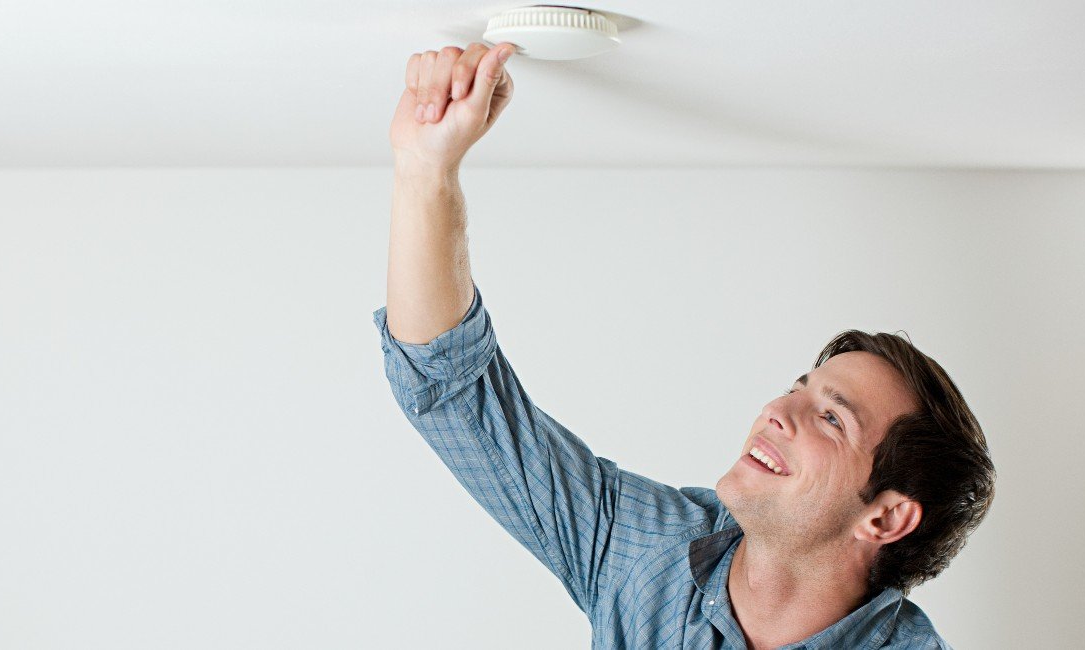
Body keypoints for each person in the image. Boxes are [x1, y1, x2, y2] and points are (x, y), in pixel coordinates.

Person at [372, 42, 995, 649]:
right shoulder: (645, 553)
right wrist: (426, 169)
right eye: (797, 390)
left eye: (831, 418)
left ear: (884, 518)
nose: (778, 411)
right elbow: (454, 393)